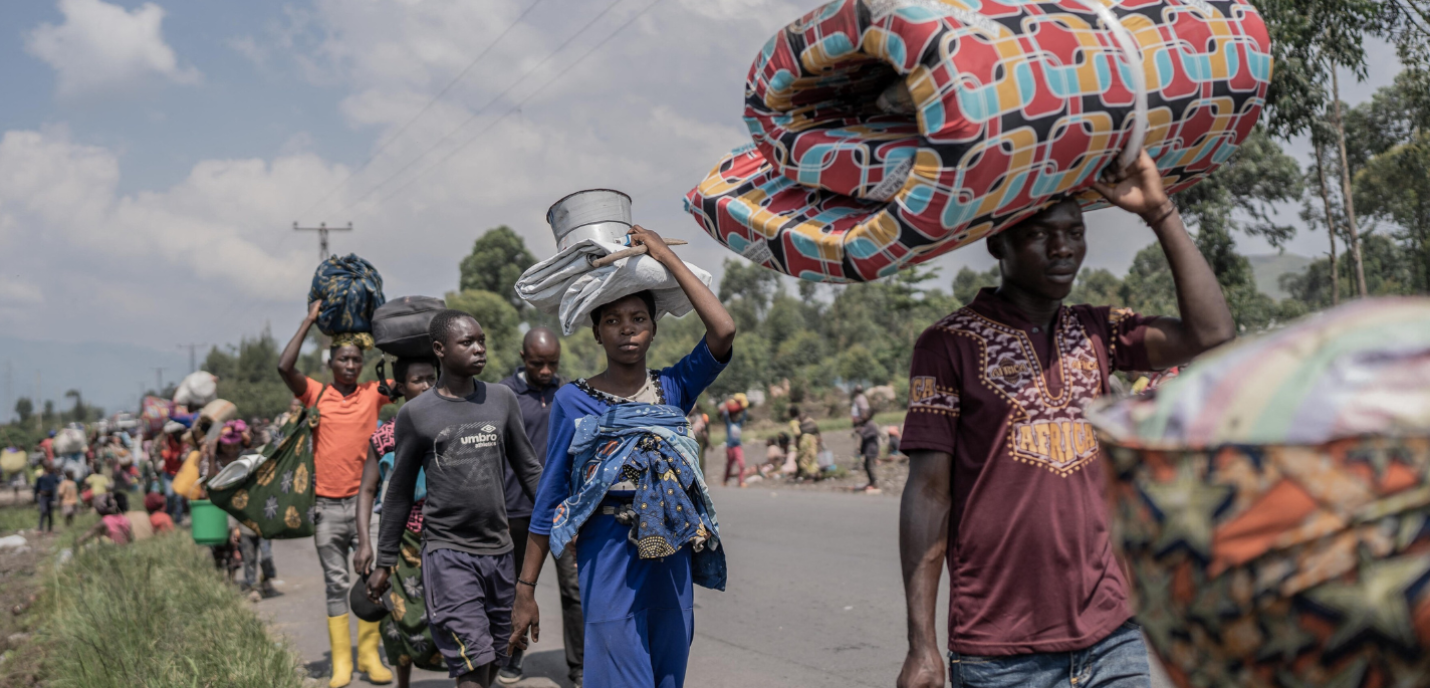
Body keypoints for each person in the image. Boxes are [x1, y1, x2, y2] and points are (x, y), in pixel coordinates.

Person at [896, 151, 1236, 688]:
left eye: (1074, 231)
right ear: (998, 243)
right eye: (1040, 235)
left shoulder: (1100, 331)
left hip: (1112, 638)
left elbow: (1212, 334)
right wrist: (922, 645)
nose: (1063, 248)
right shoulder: (948, 345)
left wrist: (1159, 212)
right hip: (1001, 655)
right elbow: (930, 495)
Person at [510, 225, 736, 688]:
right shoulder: (574, 400)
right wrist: (525, 588)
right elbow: (552, 493)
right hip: (606, 553)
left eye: (638, 318)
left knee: (667, 677)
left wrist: (664, 256)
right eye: (613, 320)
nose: (627, 329)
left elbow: (723, 328)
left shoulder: (673, 388)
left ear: (653, 328)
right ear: (596, 332)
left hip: (669, 551)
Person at [368, 310, 541, 688]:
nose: (479, 349)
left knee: (496, 655)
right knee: (471, 662)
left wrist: (563, 521)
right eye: (468, 342)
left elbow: (529, 469)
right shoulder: (416, 414)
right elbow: (397, 492)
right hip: (448, 553)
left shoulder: (501, 399)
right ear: (439, 350)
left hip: (499, 552)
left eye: (482, 341)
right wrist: (385, 561)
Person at [277, 298, 395, 688]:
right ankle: (341, 663)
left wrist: (383, 332)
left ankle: (369, 657)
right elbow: (284, 366)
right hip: (326, 506)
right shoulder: (316, 395)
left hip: (367, 507)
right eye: (342, 359)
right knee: (335, 583)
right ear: (330, 363)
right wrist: (309, 320)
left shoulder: (372, 394)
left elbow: (411, 375)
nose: (349, 365)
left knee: (373, 579)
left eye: (355, 360)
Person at [495, 327, 584, 687]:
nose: (546, 371)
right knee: (515, 589)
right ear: (522, 358)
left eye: (552, 364)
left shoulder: (568, 394)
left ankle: (578, 667)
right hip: (515, 512)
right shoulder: (503, 395)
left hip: (563, 514)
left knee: (574, 590)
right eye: (537, 364)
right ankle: (512, 657)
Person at [353, 356, 440, 688]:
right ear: (402, 387)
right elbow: (367, 490)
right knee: (397, 616)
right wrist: (364, 542)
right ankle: (403, 683)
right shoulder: (385, 436)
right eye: (419, 380)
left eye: (432, 378)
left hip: (445, 534)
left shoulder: (451, 425)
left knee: (454, 613)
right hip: (401, 538)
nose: (427, 386)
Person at [850, 384, 881, 493]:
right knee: (866, 466)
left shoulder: (870, 425)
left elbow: (863, 434)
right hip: (869, 449)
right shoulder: (867, 424)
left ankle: (874, 482)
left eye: (864, 414)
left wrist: (858, 430)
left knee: (869, 466)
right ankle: (871, 482)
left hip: (871, 450)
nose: (862, 415)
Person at [719, 397, 747, 488]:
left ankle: (741, 481)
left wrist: (742, 404)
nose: (735, 417)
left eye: (736, 415)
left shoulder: (739, 423)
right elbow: (725, 413)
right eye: (733, 415)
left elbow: (744, 414)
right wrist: (728, 403)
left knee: (741, 464)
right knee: (729, 465)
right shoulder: (729, 423)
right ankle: (725, 480)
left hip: (737, 446)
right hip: (730, 446)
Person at [789, 406, 820, 481]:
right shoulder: (808, 419)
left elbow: (797, 434)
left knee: (802, 458)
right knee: (812, 458)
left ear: (791, 413)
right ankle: (815, 474)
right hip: (813, 439)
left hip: (805, 440)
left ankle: (808, 476)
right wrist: (819, 438)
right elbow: (816, 428)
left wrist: (797, 444)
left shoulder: (794, 422)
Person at [33, 463, 59, 533]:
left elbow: (57, 482)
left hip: (50, 496)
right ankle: (40, 529)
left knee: (50, 513)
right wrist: (35, 497)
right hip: (43, 496)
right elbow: (36, 487)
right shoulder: (41, 476)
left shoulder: (53, 476)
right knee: (43, 511)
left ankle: (49, 529)